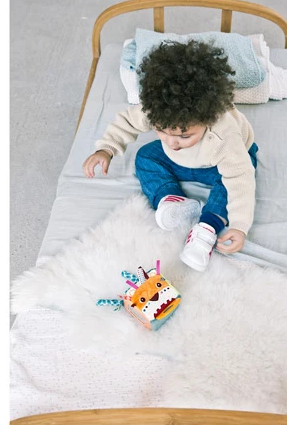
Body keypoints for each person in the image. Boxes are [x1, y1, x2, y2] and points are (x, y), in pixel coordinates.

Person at [83, 40, 258, 272]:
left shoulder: (225, 135)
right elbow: (126, 121)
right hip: (182, 162)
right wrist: (106, 149)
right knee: (146, 156)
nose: (172, 142)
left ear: (208, 118)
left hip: (217, 164)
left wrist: (239, 225)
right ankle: (172, 198)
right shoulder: (159, 111)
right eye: (161, 131)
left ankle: (207, 228)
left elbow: (239, 179)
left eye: (184, 136)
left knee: (233, 181)